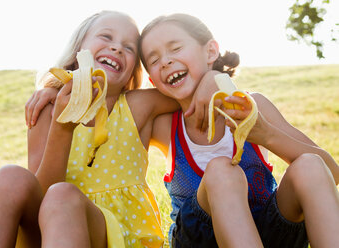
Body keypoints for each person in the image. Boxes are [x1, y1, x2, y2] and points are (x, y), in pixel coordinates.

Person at [0, 10, 183, 247]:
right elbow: (41, 195)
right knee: (11, 177)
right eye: (106, 36)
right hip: (50, 228)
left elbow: (185, 93)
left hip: (117, 234)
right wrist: (62, 126)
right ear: (78, 49)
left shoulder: (137, 106)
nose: (117, 49)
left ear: (133, 72)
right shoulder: (48, 110)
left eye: (129, 47)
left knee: (63, 195)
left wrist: (211, 76)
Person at [137, 13, 339, 248]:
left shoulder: (255, 107)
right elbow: (122, 104)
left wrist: (267, 134)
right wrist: (211, 77)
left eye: (176, 48)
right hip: (199, 239)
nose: (165, 61)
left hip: (268, 232)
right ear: (152, 81)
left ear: (211, 51)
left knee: (310, 165)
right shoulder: (164, 124)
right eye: (154, 59)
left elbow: (330, 171)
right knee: (222, 170)